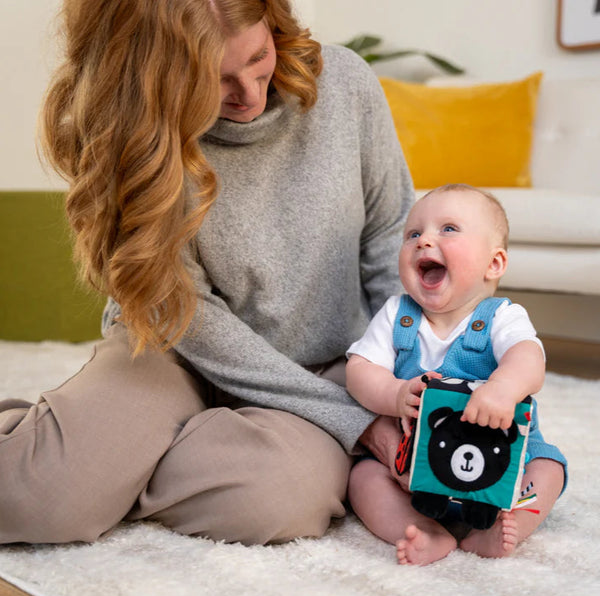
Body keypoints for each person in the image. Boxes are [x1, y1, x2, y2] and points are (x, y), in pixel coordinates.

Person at [0, 0, 415, 545]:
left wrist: (406, 378)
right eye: (213, 80)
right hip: (174, 347)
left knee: (281, 495)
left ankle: (111, 464)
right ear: (154, 77)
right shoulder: (134, 132)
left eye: (259, 56)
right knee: (39, 500)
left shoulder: (347, 85)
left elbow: (391, 240)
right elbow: (186, 312)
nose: (249, 93)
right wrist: (351, 425)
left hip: (322, 369)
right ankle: (82, 455)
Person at [345, 184, 567, 565]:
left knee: (548, 469)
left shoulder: (501, 316)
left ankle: (501, 525)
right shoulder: (397, 314)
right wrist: (395, 393)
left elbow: (528, 358)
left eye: (448, 229)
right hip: (412, 464)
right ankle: (425, 530)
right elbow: (359, 370)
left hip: (501, 462)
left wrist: (502, 388)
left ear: (493, 264)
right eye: (413, 233)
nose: (423, 240)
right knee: (362, 479)